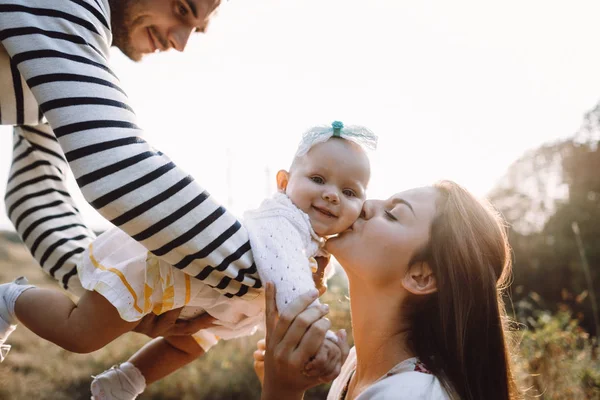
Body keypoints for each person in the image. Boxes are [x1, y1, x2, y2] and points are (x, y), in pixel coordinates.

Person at [0, 122, 373, 398]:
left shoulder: (317, 244)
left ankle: (126, 380)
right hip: (164, 276)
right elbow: (291, 284)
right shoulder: (281, 219)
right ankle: (11, 300)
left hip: (211, 304)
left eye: (349, 191)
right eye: (319, 179)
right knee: (80, 334)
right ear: (283, 182)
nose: (332, 196)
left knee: (191, 344)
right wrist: (316, 336)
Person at [254, 181, 522, 400]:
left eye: (392, 214)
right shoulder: (356, 366)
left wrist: (282, 391)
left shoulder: (412, 394)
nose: (366, 205)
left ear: (420, 276)